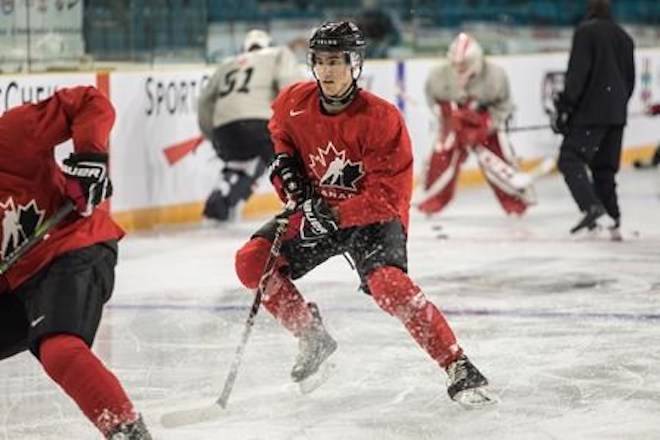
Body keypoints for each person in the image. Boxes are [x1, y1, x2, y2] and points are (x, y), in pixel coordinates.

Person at [234, 21, 495, 407]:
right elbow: (281, 132)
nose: (327, 71)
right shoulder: (294, 101)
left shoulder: (381, 118)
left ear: (355, 64)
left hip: (370, 219)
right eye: (320, 61)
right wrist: (285, 166)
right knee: (251, 262)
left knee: (389, 286)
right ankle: (311, 336)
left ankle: (457, 364)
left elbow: (388, 198)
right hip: (318, 210)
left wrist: (333, 215)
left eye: (336, 61)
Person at [0, 87, 151, 439]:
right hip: (18, 278)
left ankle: (129, 434)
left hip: (72, 245)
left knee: (59, 347)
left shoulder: (11, 133)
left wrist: (90, 159)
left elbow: (88, 101)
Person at [419, 32, 535, 217]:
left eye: (464, 64)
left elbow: (504, 106)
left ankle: (516, 203)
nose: (459, 68)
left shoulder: (496, 75)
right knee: (442, 157)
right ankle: (431, 201)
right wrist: (449, 118)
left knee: (498, 158)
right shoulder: (437, 76)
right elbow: (433, 101)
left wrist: (487, 124)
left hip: (483, 120)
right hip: (453, 121)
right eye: (455, 64)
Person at [198, 29, 306, 221]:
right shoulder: (278, 54)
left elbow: (205, 101)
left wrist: (213, 136)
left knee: (242, 163)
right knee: (288, 161)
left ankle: (221, 203)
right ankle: (304, 208)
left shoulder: (226, 64)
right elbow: (290, 87)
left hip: (225, 129)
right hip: (260, 123)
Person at [552, 0, 635, 236]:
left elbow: (578, 74)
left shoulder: (586, 33)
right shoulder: (624, 38)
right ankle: (613, 218)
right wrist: (616, 106)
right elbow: (629, 81)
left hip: (590, 113)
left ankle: (591, 206)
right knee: (605, 168)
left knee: (570, 158)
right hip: (616, 114)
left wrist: (566, 107)